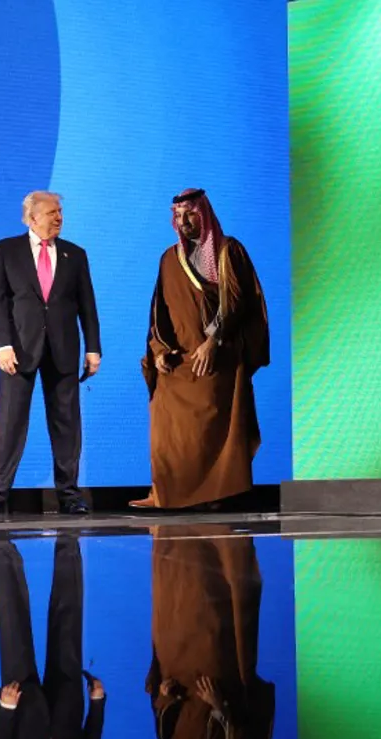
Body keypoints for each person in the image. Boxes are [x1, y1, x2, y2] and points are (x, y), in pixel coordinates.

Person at [135, 189, 269, 510]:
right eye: (178, 216)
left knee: (210, 416)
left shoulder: (227, 251)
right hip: (181, 356)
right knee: (163, 411)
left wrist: (213, 341)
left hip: (217, 355)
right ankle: (166, 492)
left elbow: (235, 301)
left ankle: (213, 494)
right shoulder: (169, 258)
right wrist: (159, 351)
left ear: (204, 214)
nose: (183, 221)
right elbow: (159, 311)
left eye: (190, 214)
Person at [0, 191, 101, 517]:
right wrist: (2, 345)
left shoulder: (75, 255)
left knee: (67, 425)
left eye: (60, 211)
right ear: (32, 218)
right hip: (18, 351)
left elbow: (87, 305)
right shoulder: (5, 250)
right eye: (52, 212)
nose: (59, 217)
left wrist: (93, 347)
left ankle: (70, 496)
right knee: (9, 424)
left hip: (63, 349)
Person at [146, 525, 276, 739]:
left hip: (178, 664)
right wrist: (220, 707)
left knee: (175, 590)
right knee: (211, 594)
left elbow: (164, 724)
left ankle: (167, 528)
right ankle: (215, 525)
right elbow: (252, 731)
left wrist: (164, 697)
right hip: (219, 668)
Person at [0, 537, 106, 739]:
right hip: (66, 699)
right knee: (68, 618)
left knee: (12, 622)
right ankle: (68, 541)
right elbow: (92, 738)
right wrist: (97, 702)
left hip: (20, 701)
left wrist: (6, 709)